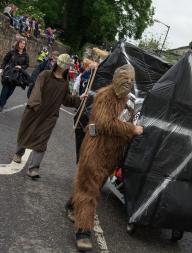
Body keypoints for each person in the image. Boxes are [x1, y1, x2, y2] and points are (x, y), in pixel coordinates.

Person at [68, 65, 143, 251]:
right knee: (90, 191)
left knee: (90, 185)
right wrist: (132, 129)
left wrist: (135, 127)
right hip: (95, 150)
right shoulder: (105, 95)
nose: (129, 84)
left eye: (131, 81)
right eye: (125, 80)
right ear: (116, 79)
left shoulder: (129, 101)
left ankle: (71, 205)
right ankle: (83, 232)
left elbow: (130, 120)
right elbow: (104, 123)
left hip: (111, 156)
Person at [12, 54, 85, 178]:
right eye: (63, 65)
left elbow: (66, 100)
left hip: (50, 116)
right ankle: (18, 153)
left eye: (67, 66)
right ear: (58, 63)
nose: (64, 68)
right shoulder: (45, 75)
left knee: (42, 141)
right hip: (35, 110)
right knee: (27, 132)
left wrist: (79, 98)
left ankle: (33, 168)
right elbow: (37, 89)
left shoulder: (64, 82)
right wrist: (34, 105)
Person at [0, 37, 30, 112]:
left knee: (10, 92)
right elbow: (5, 60)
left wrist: (21, 67)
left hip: (17, 76)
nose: (22, 45)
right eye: (21, 43)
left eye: (24, 43)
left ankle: (2, 103)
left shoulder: (26, 55)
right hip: (9, 73)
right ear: (18, 43)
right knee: (5, 90)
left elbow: (26, 65)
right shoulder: (12, 52)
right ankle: (1, 105)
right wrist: (1, 68)